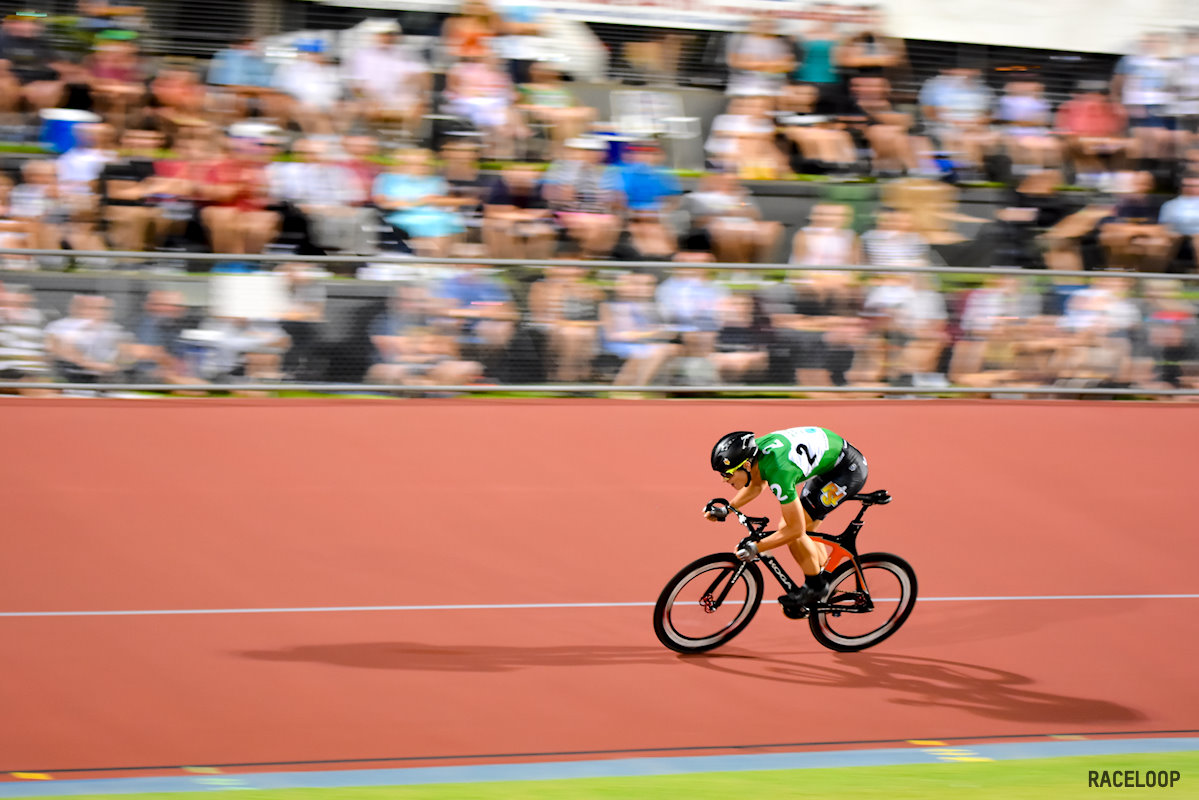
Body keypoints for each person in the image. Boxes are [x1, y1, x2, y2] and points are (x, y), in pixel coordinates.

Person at [704, 428, 868, 614]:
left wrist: (758, 548)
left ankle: (816, 587)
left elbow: (794, 530)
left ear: (746, 465)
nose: (724, 480)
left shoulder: (779, 472)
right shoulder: (754, 456)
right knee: (807, 528)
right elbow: (757, 483)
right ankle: (827, 585)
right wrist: (729, 509)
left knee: (791, 529)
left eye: (727, 474)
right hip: (831, 461)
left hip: (847, 470)